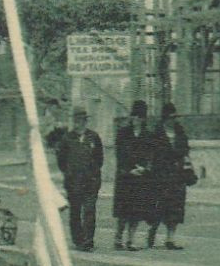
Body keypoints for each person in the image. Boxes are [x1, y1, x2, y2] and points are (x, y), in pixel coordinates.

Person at [54, 107, 103, 252]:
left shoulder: (93, 137)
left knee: (89, 210)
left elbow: (100, 159)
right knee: (75, 211)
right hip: (73, 181)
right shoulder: (67, 138)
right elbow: (61, 160)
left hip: (90, 181)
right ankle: (78, 240)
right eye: (76, 120)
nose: (78, 123)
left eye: (81, 120)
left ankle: (88, 241)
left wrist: (93, 173)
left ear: (85, 121)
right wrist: (69, 172)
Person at [146, 103, 192, 250]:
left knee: (176, 207)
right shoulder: (157, 134)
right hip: (162, 175)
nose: (173, 120)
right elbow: (152, 155)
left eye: (175, 117)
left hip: (177, 175)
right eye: (170, 117)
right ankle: (153, 229)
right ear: (165, 118)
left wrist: (186, 165)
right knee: (159, 206)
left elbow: (185, 151)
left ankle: (170, 239)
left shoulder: (180, 132)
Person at [111, 100, 152, 251]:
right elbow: (120, 155)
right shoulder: (123, 133)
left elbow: (150, 155)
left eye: (140, 117)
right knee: (123, 211)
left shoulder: (147, 135)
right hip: (125, 178)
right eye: (134, 117)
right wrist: (129, 170)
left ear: (143, 119)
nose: (137, 120)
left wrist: (144, 168)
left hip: (140, 177)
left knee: (136, 210)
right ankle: (118, 238)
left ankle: (131, 240)